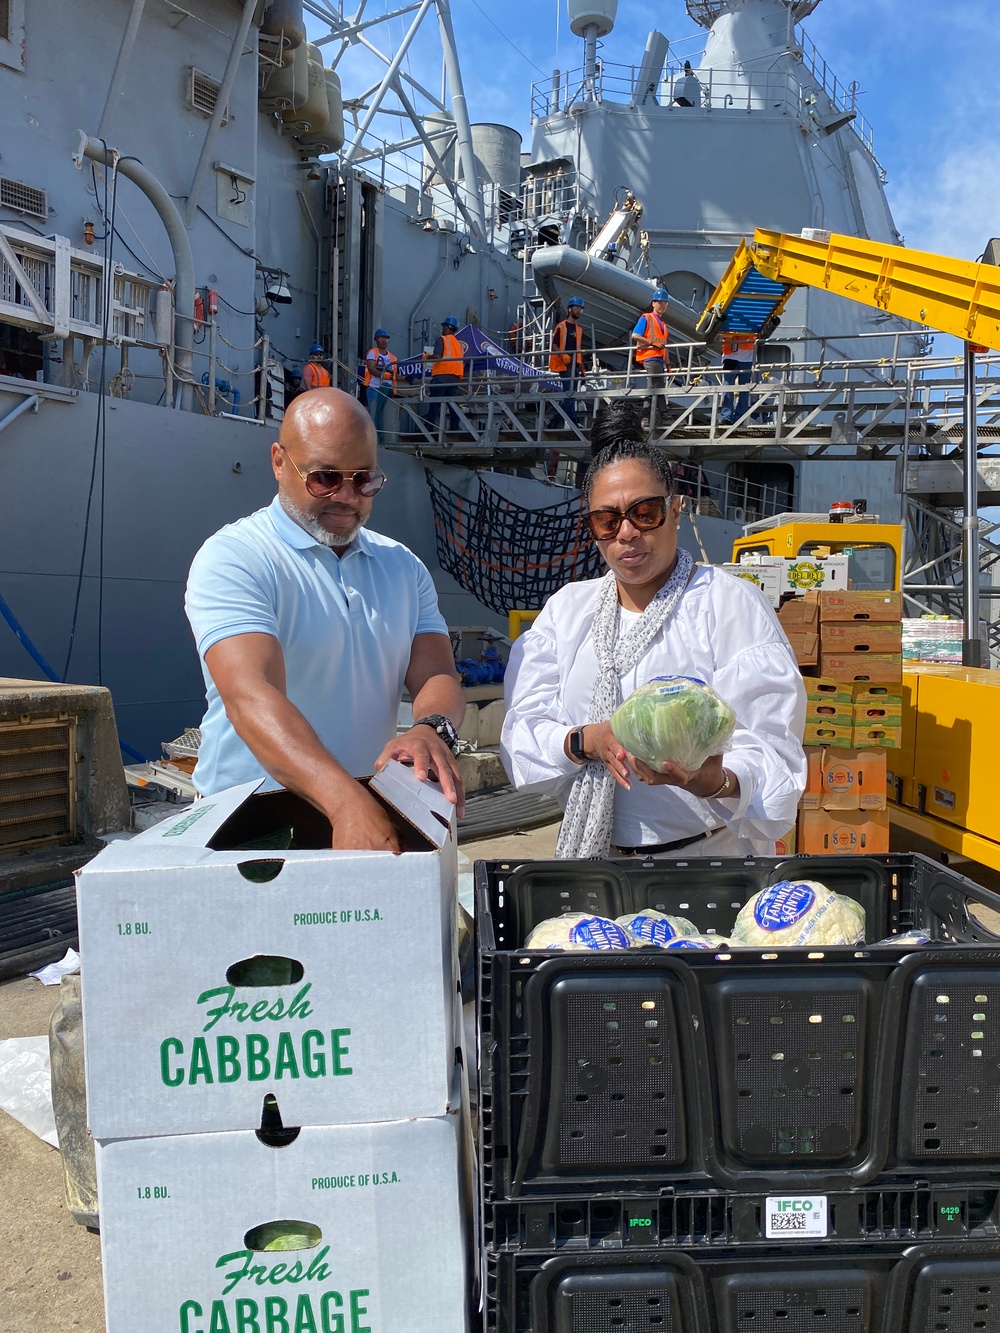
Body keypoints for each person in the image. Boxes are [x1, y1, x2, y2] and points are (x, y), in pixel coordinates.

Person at [185, 387, 466, 852]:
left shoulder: (403, 566)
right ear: (279, 461)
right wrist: (346, 802)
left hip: (364, 805)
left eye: (364, 480)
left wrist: (429, 729)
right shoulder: (235, 558)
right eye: (324, 478)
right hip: (251, 820)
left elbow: (436, 672)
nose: (346, 496)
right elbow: (250, 695)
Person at [500, 439, 806, 859]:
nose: (627, 533)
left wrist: (714, 781)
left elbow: (773, 747)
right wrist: (585, 741)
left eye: (645, 514)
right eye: (607, 520)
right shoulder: (567, 612)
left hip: (705, 860)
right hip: (597, 860)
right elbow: (523, 734)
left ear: (676, 509)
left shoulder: (727, 604)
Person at [547, 296, 589, 429]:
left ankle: (563, 421)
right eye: (576, 308)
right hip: (564, 365)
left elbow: (577, 349)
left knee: (571, 394)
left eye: (580, 309)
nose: (578, 311)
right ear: (570, 309)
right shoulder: (561, 327)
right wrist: (562, 354)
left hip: (574, 365)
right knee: (569, 393)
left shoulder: (579, 329)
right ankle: (566, 421)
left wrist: (582, 368)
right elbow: (553, 345)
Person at [423, 315, 465, 431]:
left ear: (447, 328)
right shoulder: (459, 345)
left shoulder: (442, 339)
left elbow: (437, 356)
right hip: (454, 379)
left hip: (441, 377)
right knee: (453, 405)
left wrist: (426, 356)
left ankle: (428, 427)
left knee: (434, 404)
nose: (442, 329)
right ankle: (454, 428)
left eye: (443, 327)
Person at [631, 288, 670, 410]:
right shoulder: (646, 318)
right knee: (657, 385)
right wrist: (651, 343)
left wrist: (668, 364)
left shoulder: (663, 324)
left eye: (664, 303)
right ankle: (662, 413)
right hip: (649, 356)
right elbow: (635, 335)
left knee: (653, 386)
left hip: (659, 359)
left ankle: (648, 415)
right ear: (653, 303)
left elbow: (664, 346)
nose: (662, 306)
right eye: (659, 302)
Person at [363, 328, 397, 439]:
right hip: (375, 388)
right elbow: (371, 368)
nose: (384, 341)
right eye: (381, 338)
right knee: (374, 414)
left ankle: (384, 439)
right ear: (376, 340)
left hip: (388, 390)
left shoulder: (393, 357)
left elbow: (396, 374)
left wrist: (410, 378)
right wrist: (383, 375)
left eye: (386, 339)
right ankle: (372, 440)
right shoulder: (372, 353)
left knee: (385, 415)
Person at [721, 331, 756, 423]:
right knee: (728, 387)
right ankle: (727, 417)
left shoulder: (752, 321)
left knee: (744, 389)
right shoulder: (728, 321)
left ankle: (739, 418)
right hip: (731, 357)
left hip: (746, 358)